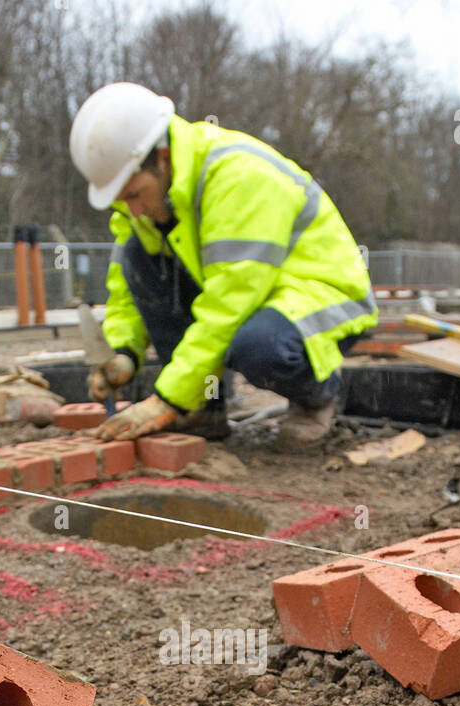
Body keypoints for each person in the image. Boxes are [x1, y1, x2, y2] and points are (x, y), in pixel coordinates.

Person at [69, 83, 377, 450]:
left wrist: (166, 398)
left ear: (163, 158)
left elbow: (230, 303)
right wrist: (124, 352)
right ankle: (201, 408)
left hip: (322, 294)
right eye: (122, 200)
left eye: (135, 195)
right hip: (251, 294)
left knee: (258, 348)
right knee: (136, 253)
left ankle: (318, 397)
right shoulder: (145, 203)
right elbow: (126, 288)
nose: (132, 210)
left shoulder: (239, 177)